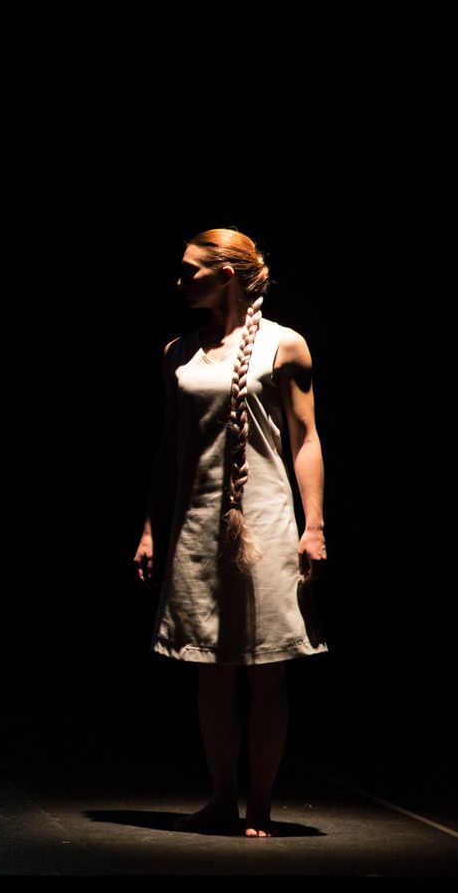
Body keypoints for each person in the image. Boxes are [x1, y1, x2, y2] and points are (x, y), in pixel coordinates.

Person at [133, 227, 328, 838]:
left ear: (224, 277)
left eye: (189, 270)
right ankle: (222, 797)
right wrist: (150, 529)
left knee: (266, 668)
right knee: (210, 669)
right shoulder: (178, 352)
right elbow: (169, 450)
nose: (179, 281)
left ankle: (260, 803)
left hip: (265, 518)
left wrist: (315, 525)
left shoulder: (284, 345)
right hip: (197, 522)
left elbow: (305, 439)